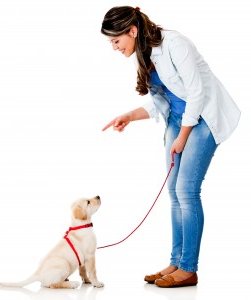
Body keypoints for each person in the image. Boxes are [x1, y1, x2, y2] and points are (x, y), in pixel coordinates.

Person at [100, 6, 240, 288]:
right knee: (174, 193)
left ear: (132, 31)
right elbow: (165, 100)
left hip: (201, 118)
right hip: (179, 120)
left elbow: (196, 92)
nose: (114, 48)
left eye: (116, 41)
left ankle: (188, 268)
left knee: (187, 191)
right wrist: (129, 116)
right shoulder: (145, 54)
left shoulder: (175, 44)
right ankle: (176, 262)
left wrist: (183, 135)